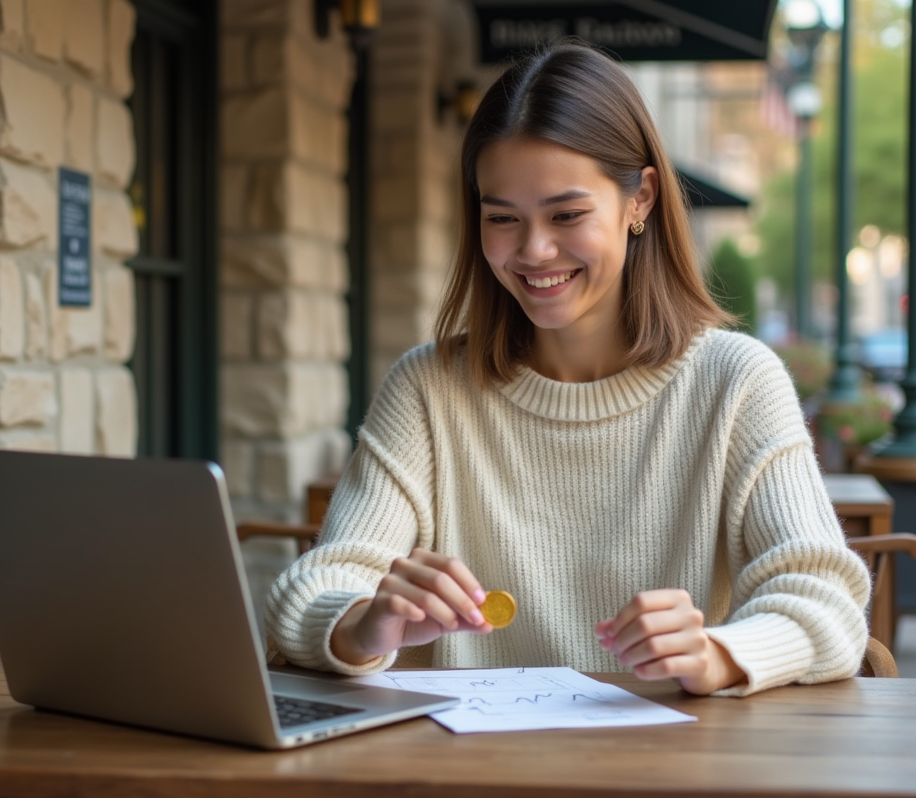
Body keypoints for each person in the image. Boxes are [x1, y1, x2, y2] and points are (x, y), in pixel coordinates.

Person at [265, 40, 870, 697]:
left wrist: (715, 655)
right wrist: (365, 624)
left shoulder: (737, 381)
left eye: (567, 214)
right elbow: (312, 590)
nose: (534, 251)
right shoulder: (427, 387)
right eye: (502, 218)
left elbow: (829, 606)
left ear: (640, 198)